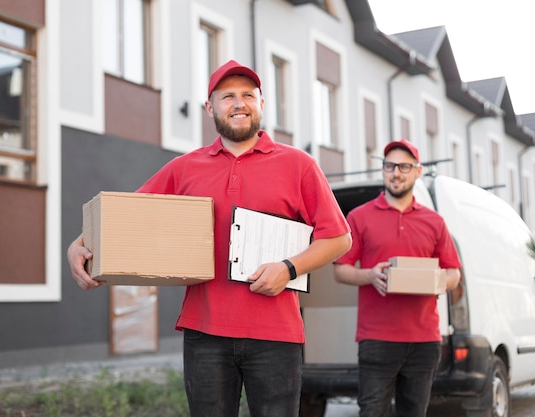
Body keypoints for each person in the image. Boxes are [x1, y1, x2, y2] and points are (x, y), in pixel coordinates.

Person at [67, 59, 352, 417]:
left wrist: (288, 268)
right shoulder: (184, 168)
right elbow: (124, 217)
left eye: (248, 95)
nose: (239, 103)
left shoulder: (299, 165)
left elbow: (339, 238)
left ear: (261, 104)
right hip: (205, 334)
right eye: (227, 96)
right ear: (210, 107)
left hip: (276, 335)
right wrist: (77, 245)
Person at [333, 139, 461, 417]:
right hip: (376, 338)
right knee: (371, 412)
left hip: (424, 339)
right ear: (383, 170)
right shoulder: (359, 217)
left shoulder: (434, 221)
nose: (396, 172)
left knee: (414, 412)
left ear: (417, 172)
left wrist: (438, 281)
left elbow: (454, 273)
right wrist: (369, 275)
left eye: (404, 166)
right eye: (390, 166)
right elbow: (340, 270)